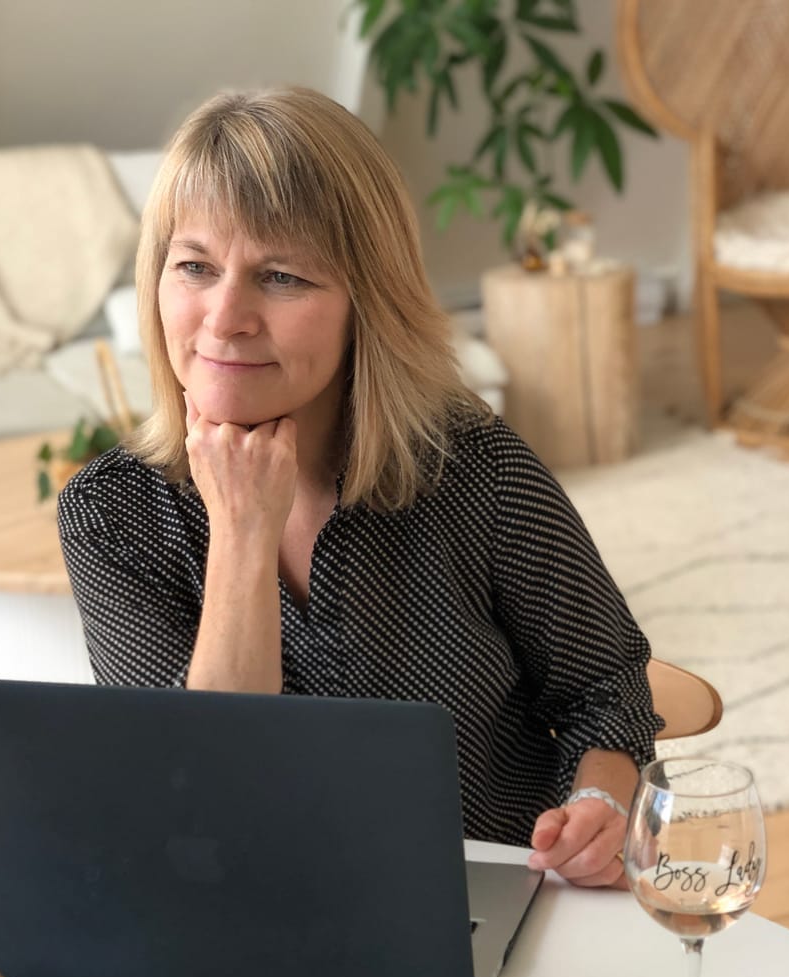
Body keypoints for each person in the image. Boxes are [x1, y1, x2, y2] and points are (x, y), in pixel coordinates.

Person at [57, 86, 663, 890]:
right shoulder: (110, 514)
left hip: (485, 900)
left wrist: (598, 801)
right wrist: (241, 530)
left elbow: (604, 687)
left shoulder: (475, 468)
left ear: (366, 302)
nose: (225, 317)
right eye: (195, 266)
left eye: (280, 276)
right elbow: (203, 791)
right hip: (247, 911)